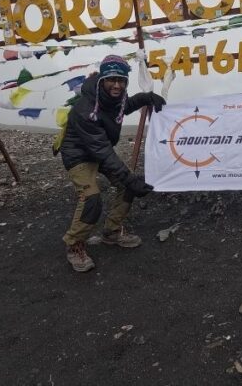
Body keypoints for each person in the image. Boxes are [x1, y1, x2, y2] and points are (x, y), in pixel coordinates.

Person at [57, 55, 166, 272]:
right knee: (91, 198)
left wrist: (146, 97)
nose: (117, 85)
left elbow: (124, 106)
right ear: (102, 80)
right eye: (112, 80)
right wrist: (130, 178)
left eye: (122, 80)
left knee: (127, 186)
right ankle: (74, 244)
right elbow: (103, 152)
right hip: (79, 155)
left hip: (99, 150)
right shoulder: (85, 109)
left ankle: (112, 232)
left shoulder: (115, 97)